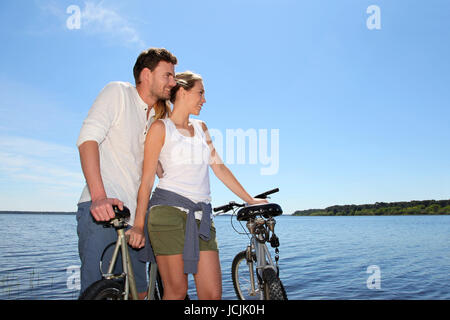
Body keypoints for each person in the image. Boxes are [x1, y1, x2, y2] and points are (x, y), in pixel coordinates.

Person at [127, 71, 268, 300]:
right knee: (176, 291)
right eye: (200, 93)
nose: (204, 99)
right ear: (182, 91)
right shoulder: (160, 128)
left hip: (202, 217)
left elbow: (219, 168)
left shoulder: (202, 127)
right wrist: (139, 226)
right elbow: (146, 183)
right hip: (167, 214)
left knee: (212, 295)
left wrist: (250, 199)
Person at [75, 47, 177, 298]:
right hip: (101, 210)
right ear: (146, 74)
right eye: (168, 76)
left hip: (135, 222)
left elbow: (160, 171)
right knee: (96, 290)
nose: (173, 82)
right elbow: (87, 140)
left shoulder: (156, 119)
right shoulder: (117, 92)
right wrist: (99, 197)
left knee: (140, 292)